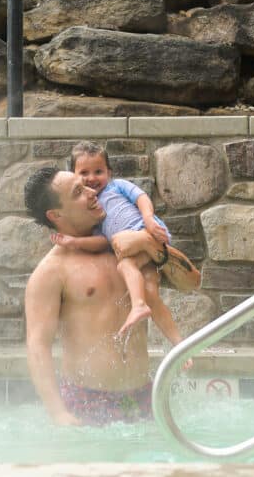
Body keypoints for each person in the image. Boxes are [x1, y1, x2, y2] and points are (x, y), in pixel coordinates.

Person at [24, 166, 166, 426]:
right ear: (56, 215)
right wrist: (58, 414)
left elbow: (185, 278)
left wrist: (150, 245)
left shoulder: (123, 247)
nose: (92, 192)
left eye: (86, 185)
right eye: (78, 192)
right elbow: (37, 346)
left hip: (144, 396)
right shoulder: (52, 272)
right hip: (87, 403)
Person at [50, 141, 199, 341]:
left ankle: (138, 306)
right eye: (84, 173)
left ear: (109, 172)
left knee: (125, 268)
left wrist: (148, 219)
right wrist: (73, 242)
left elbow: (141, 198)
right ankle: (178, 344)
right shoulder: (93, 212)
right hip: (134, 254)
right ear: (74, 175)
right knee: (150, 294)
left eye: (98, 171)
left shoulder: (117, 186)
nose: (92, 178)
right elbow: (102, 241)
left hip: (147, 232)